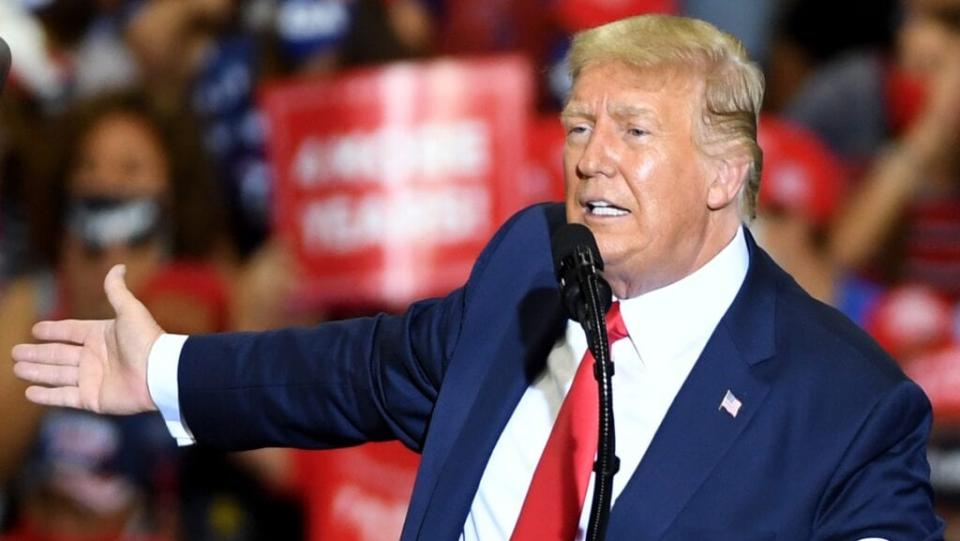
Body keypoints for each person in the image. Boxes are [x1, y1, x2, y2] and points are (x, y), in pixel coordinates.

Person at [11, 14, 944, 539]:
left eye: (634, 132)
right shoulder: (531, 263)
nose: (591, 159)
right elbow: (361, 370)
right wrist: (164, 371)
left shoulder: (848, 411)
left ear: (725, 173)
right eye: (580, 127)